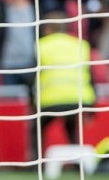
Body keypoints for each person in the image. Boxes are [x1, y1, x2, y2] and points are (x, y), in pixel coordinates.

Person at [32, 11, 96, 162]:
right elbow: (91, 76)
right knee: (70, 125)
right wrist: (92, 107)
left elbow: (32, 77)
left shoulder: (41, 45)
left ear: (47, 29)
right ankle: (78, 162)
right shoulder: (81, 45)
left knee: (37, 127)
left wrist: (32, 102)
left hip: (50, 99)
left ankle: (36, 162)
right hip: (80, 99)